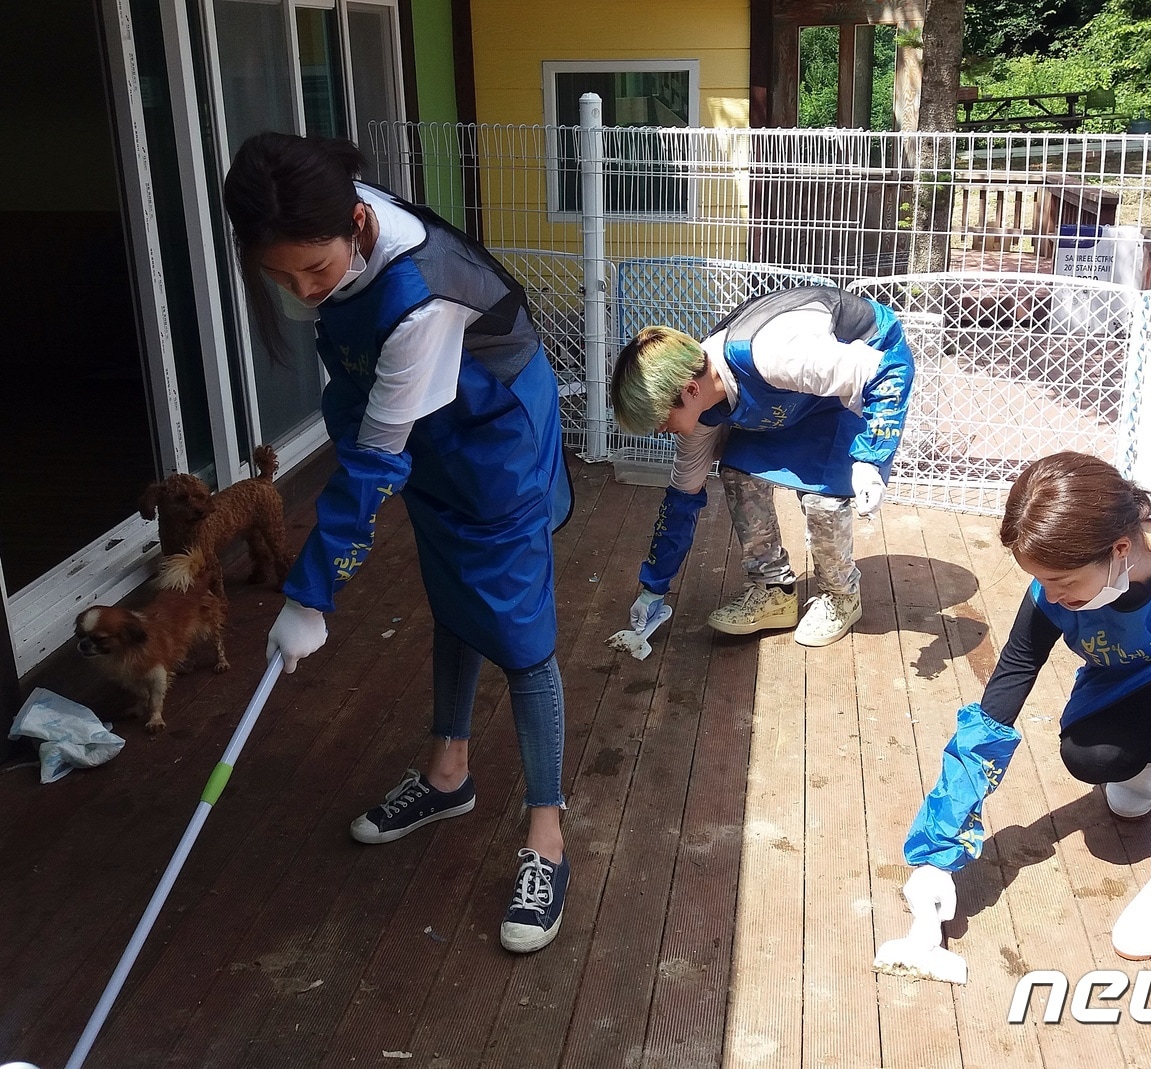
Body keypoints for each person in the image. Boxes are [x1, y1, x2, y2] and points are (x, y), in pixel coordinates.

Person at [223, 132, 574, 954]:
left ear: (357, 224)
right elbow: (368, 408)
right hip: (428, 428)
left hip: (492, 438)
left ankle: (547, 839)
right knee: (454, 603)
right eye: (282, 276)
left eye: (315, 270)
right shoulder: (333, 230)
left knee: (523, 639)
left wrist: (312, 592)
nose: (305, 290)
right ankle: (448, 776)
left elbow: (376, 460)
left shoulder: (418, 295)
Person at [889, 452, 1151, 963]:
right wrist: (938, 854)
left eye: (1064, 583)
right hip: (1130, 685)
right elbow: (1004, 691)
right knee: (1088, 756)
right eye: (1043, 581)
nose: (1052, 595)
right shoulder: (1056, 592)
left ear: (1119, 549)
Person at [609, 285, 915, 648]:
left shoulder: (775, 353)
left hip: (858, 368)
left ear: (690, 391)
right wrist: (652, 588)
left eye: (660, 418)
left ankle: (841, 596)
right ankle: (774, 590)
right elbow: (681, 501)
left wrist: (870, 459)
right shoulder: (704, 405)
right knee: (738, 472)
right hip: (789, 395)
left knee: (824, 500)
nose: (660, 429)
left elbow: (888, 371)